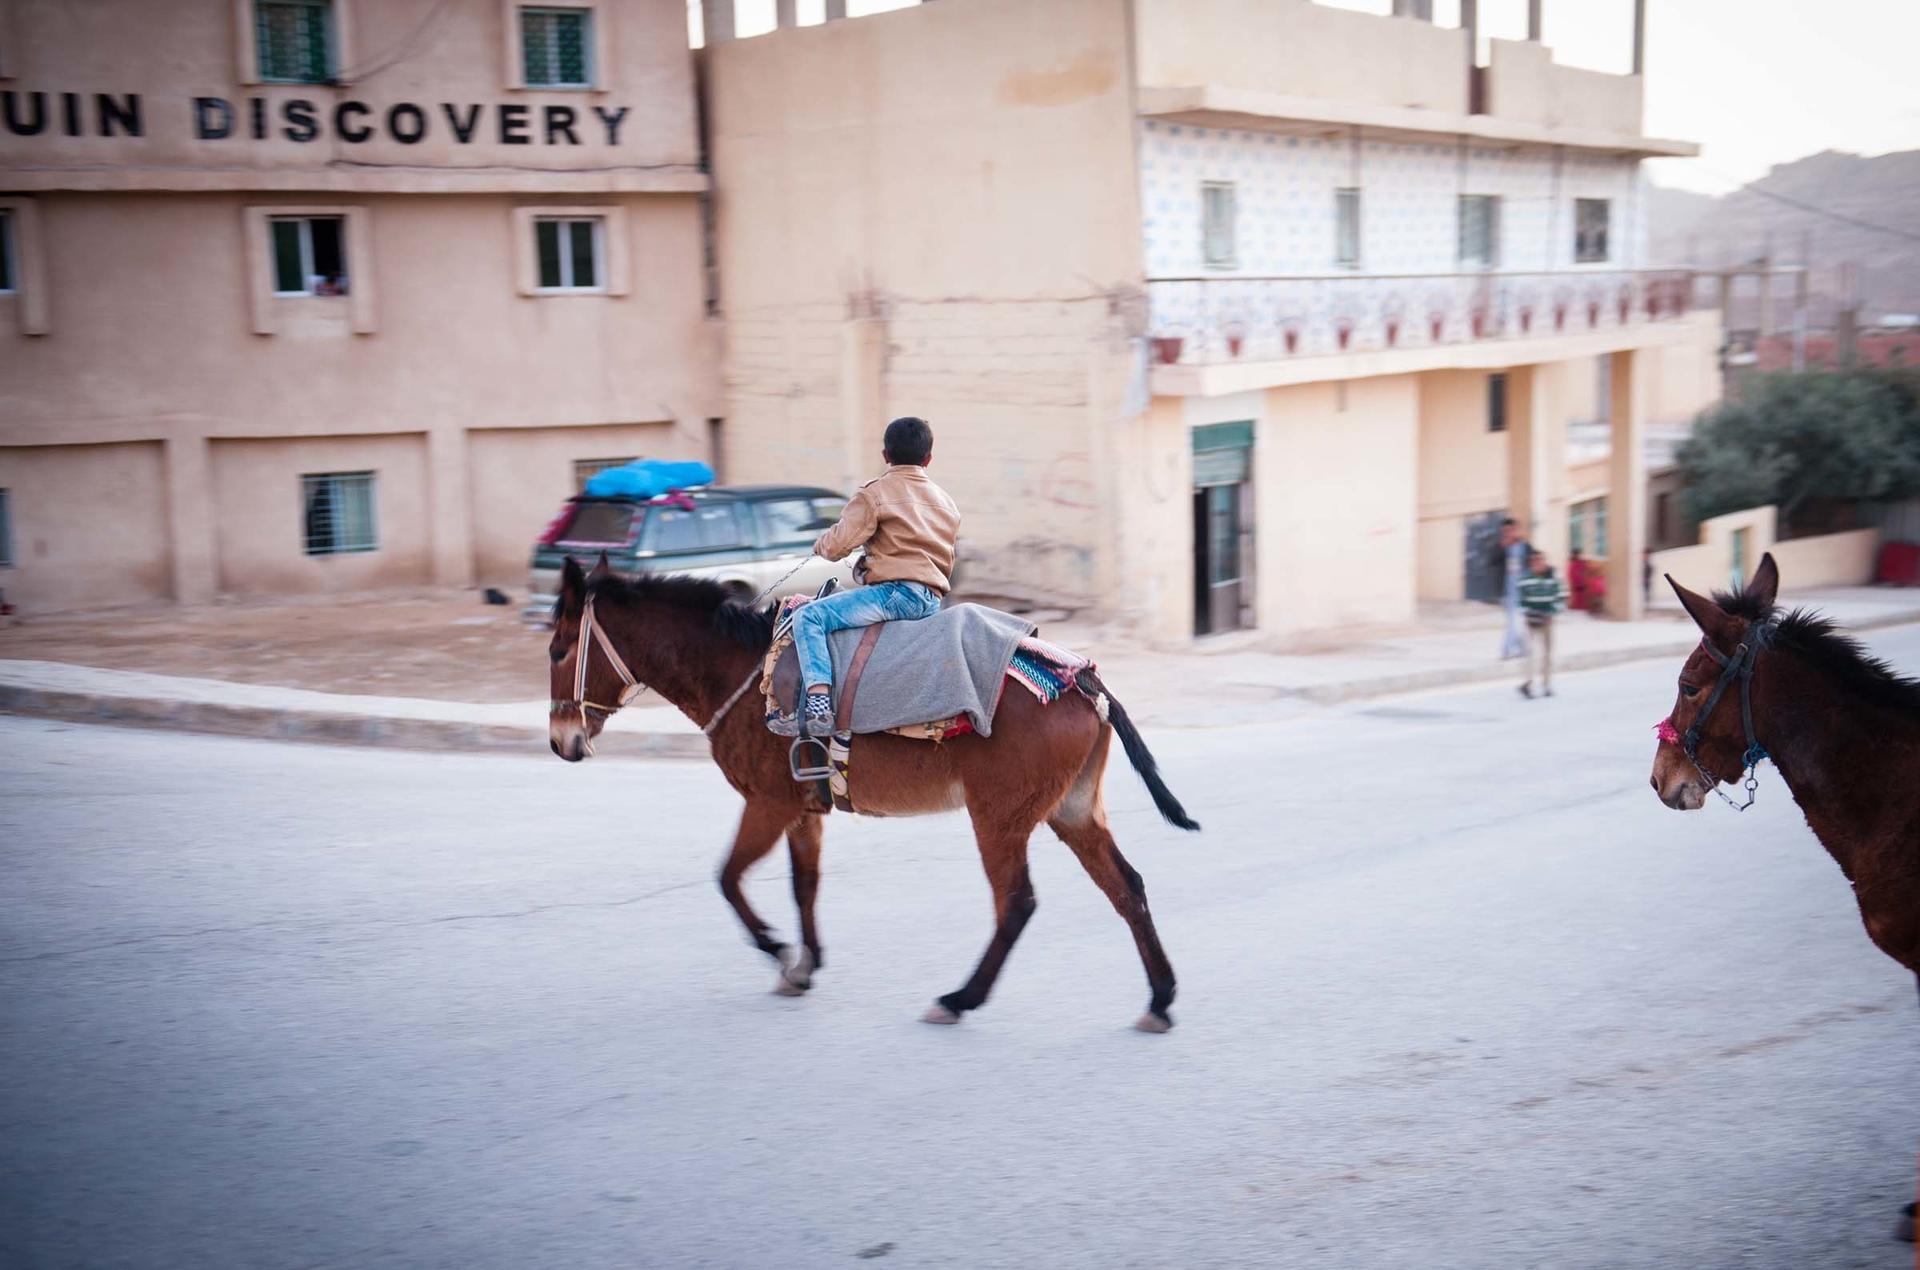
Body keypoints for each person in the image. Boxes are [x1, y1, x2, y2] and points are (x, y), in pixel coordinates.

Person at [793, 416, 960, 739]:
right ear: (928, 459)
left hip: (895, 596)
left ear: (886, 455)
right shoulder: (946, 502)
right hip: (931, 602)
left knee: (808, 618)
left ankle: (818, 704)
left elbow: (838, 545)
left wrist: (821, 544)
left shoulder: (875, 493)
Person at [1517, 548, 1566, 699]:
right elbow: (1520, 600)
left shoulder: (1554, 579)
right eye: (1534, 561)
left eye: (1540, 560)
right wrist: (1526, 612)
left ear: (1545, 561)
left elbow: (1562, 597)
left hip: (1547, 620)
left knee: (1547, 653)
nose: (1538, 563)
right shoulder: (1525, 580)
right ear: (1531, 563)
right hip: (1531, 620)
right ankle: (1528, 683)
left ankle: (1546, 684)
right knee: (1530, 652)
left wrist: (1553, 612)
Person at [1496, 518, 1530, 660]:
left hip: (1523, 590)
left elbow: (1533, 563)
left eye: (1510, 531)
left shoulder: (1525, 547)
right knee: (1513, 621)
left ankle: (1511, 650)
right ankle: (1516, 649)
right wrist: (1501, 548)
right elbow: (1491, 562)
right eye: (1505, 532)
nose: (1508, 534)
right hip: (1507, 591)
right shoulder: (1501, 547)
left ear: (1516, 530)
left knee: (1517, 621)